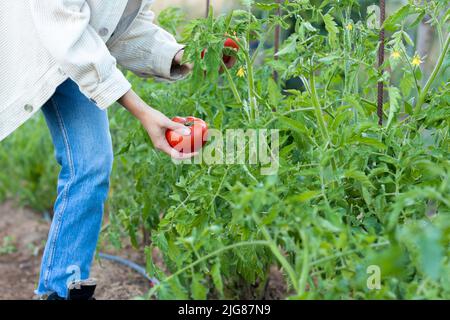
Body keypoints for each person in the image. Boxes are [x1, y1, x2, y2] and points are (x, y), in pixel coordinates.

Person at [0, 0, 235, 300]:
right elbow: (60, 20)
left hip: (72, 54)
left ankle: (58, 291)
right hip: (25, 43)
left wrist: (182, 55)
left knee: (91, 163)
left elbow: (123, 28)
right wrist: (143, 111)